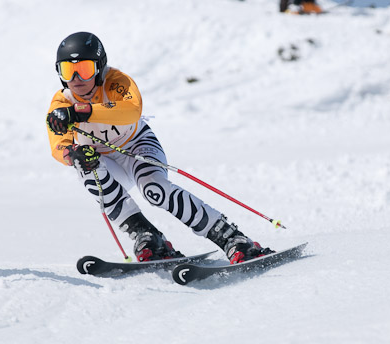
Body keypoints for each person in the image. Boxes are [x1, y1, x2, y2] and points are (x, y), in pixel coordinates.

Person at [46, 32, 274, 264]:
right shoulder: (61, 103)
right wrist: (71, 155)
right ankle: (147, 236)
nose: (76, 78)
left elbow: (132, 109)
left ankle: (233, 239)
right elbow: (58, 145)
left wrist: (81, 111)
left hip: (136, 146)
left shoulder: (116, 81)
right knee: (86, 172)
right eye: (67, 70)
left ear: (99, 66)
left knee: (154, 190)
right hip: (106, 162)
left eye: (84, 68)